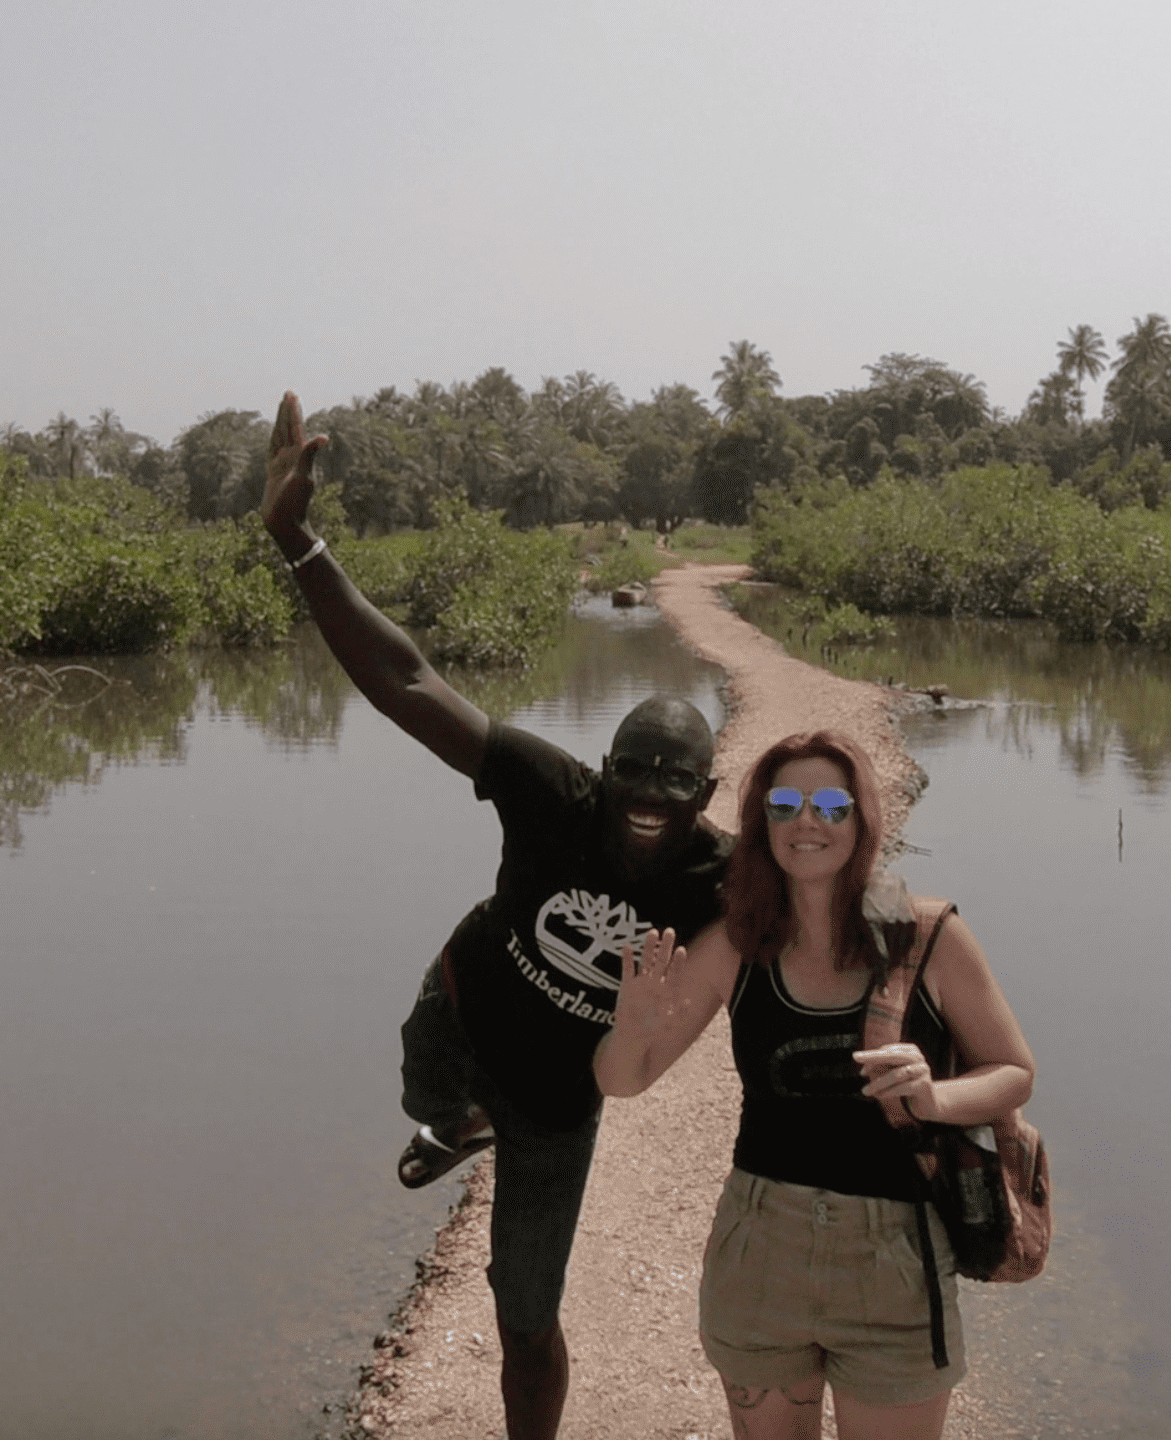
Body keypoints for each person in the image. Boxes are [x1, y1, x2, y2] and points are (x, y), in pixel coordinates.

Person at [259, 390, 735, 1440]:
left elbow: (831, 913)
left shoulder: (720, 878)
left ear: (708, 796)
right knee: (418, 1089)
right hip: (464, 1002)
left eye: (676, 785)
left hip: (562, 1103)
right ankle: (460, 1116)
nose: (650, 799)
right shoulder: (543, 784)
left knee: (523, 1315)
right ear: (605, 771)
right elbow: (407, 678)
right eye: (634, 776)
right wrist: (297, 543)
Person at [594, 730, 1036, 1440]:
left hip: (896, 1258)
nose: (808, 821)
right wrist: (631, 1026)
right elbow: (623, 1081)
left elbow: (1015, 1073)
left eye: (832, 804)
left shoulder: (931, 937)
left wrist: (933, 1098)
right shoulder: (737, 946)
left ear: (862, 820)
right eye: (785, 805)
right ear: (760, 823)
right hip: (761, 1249)